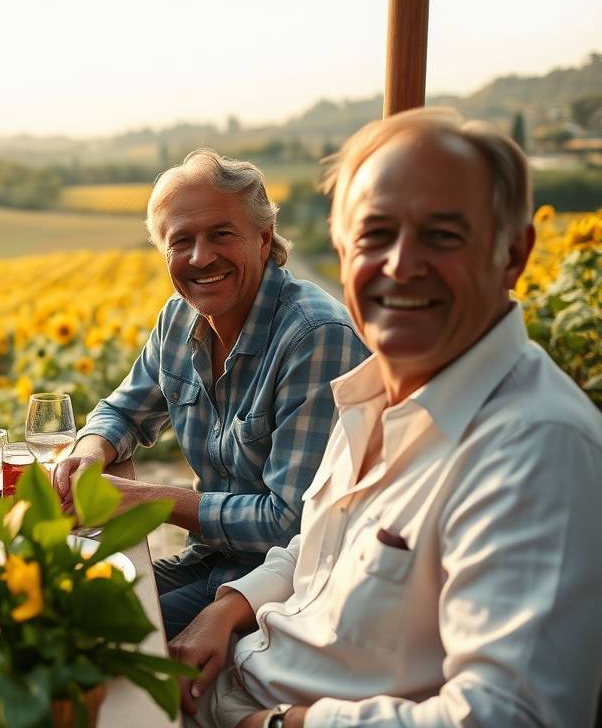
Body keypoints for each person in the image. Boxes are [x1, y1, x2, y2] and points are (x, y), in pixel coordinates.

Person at [171, 108, 602, 728]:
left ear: (514, 253)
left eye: (443, 235)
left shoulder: (534, 449)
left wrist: (274, 724)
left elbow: (508, 717)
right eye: (374, 234)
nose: (400, 265)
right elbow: (323, 548)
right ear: (343, 251)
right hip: (226, 683)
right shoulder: (380, 391)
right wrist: (229, 607)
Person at [54, 149, 369, 638]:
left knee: (88, 639)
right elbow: (123, 410)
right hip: (209, 562)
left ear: (264, 239)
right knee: (49, 602)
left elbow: (290, 525)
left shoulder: (315, 337)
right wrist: (90, 452)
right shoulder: (179, 318)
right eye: (182, 241)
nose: (201, 257)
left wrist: (143, 499)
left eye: (221, 234)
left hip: (284, 593)